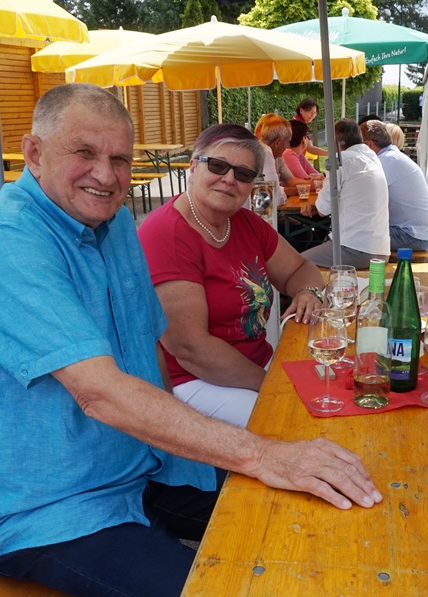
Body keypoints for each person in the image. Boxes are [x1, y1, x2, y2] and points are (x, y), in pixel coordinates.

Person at [0, 84, 382, 597]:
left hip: (139, 466)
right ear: (34, 153)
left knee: (301, 516)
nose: (106, 175)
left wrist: (240, 454)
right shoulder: (5, 242)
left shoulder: (115, 225)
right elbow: (101, 393)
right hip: (50, 510)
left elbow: (147, 355)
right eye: (84, 153)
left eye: (120, 158)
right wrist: (264, 453)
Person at [138, 124, 328, 428]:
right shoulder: (166, 233)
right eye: (217, 166)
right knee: (292, 423)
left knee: (332, 393)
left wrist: (308, 292)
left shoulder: (244, 222)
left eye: (243, 174)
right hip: (195, 381)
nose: (229, 179)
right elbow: (190, 349)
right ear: (193, 166)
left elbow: (300, 269)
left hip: (255, 365)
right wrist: (271, 384)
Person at [300, 119, 390, 268]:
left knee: (297, 265)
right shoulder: (372, 158)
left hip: (354, 248)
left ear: (336, 143)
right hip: (381, 249)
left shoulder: (340, 161)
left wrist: (314, 207)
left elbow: (323, 209)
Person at [360, 119, 428, 251]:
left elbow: (361, 194)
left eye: (359, 146)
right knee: (355, 232)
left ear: (369, 144)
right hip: (418, 232)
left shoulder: (386, 161)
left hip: (413, 235)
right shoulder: (392, 156)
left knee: (353, 236)